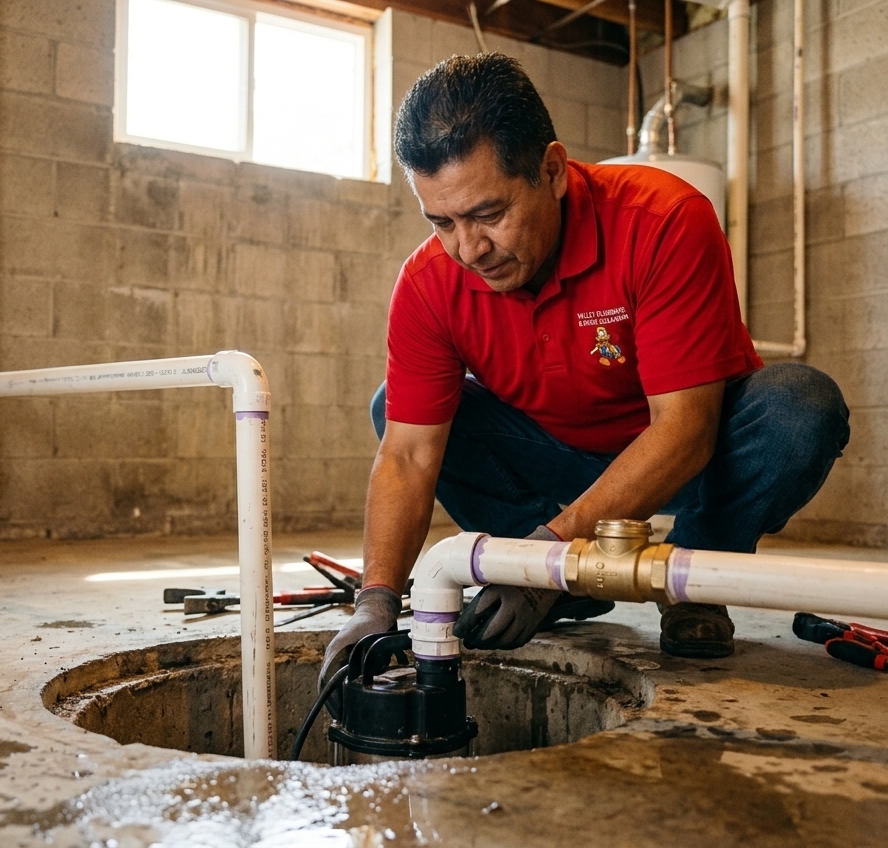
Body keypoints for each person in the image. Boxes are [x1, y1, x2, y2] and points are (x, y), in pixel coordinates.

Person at [319, 54, 849, 695]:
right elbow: (406, 456)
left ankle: (695, 575)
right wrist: (374, 603)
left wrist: (551, 553)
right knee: (395, 411)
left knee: (800, 409)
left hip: (696, 458)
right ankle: (559, 589)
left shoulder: (665, 220)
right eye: (442, 222)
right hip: (557, 461)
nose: (468, 249)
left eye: (488, 214)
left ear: (552, 170)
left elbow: (683, 430)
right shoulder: (431, 281)